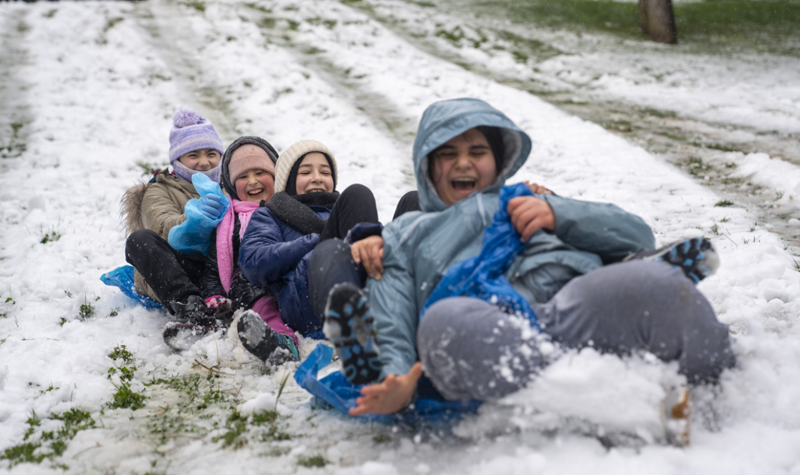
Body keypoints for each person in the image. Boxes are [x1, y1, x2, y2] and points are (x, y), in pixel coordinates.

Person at [319, 97, 735, 415]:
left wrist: (561, 214)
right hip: (489, 329)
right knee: (442, 326)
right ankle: (616, 399)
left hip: (572, 306)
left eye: (477, 151)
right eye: (447, 154)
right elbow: (393, 310)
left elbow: (634, 232)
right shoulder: (405, 234)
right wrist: (396, 375)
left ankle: (714, 389)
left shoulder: (529, 199)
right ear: (427, 167)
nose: (463, 162)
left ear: (497, 161)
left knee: (654, 285)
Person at [237, 140, 384, 342]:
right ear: (288, 179)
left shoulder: (346, 210)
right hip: (306, 303)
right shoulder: (270, 214)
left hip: (359, 290)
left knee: (412, 202)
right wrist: (312, 243)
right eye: (305, 173)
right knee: (357, 194)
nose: (317, 178)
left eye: (325, 172)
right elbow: (253, 263)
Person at [122, 107, 228, 350]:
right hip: (179, 268)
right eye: (193, 155)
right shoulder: (160, 188)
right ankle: (192, 309)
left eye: (211, 153)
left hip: (220, 268)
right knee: (140, 240)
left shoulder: (230, 186)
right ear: (177, 159)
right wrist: (193, 220)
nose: (204, 162)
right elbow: (162, 227)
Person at [194, 136, 300, 363]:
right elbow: (214, 267)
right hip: (253, 286)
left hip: (291, 280)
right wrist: (214, 294)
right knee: (264, 306)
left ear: (276, 175)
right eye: (242, 176)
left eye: (260, 173)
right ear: (232, 185)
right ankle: (282, 344)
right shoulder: (230, 222)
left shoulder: (292, 208)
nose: (252, 181)